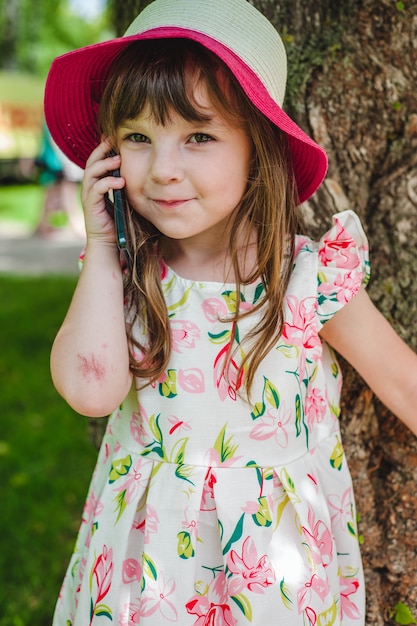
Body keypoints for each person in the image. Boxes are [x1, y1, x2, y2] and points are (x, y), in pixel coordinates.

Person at [44, 0, 417, 624]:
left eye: (199, 136)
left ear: (258, 147)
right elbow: (90, 390)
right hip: (149, 572)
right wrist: (104, 246)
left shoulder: (306, 279)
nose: (163, 170)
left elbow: (402, 379)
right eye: (138, 137)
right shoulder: (126, 277)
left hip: (273, 575)